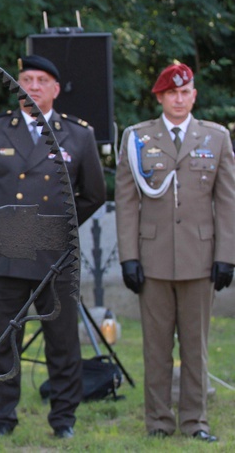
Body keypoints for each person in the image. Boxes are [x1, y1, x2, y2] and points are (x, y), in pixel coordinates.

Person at [0, 55, 105, 439]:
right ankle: (3, 419)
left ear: (55, 89)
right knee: (3, 342)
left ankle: (64, 420)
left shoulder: (78, 135)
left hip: (56, 258)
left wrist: (60, 230)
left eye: (41, 80)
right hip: (6, 254)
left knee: (62, 342)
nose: (33, 86)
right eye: (26, 79)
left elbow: (93, 194)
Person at [115, 63, 235, 442]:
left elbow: (228, 201)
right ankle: (159, 423)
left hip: (200, 258)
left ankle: (196, 422)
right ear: (161, 97)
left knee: (196, 348)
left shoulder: (215, 138)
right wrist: (128, 256)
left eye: (185, 93)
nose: (179, 99)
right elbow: (127, 201)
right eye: (172, 93)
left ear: (194, 96)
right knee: (156, 347)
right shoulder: (137, 138)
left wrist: (227, 254)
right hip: (152, 260)